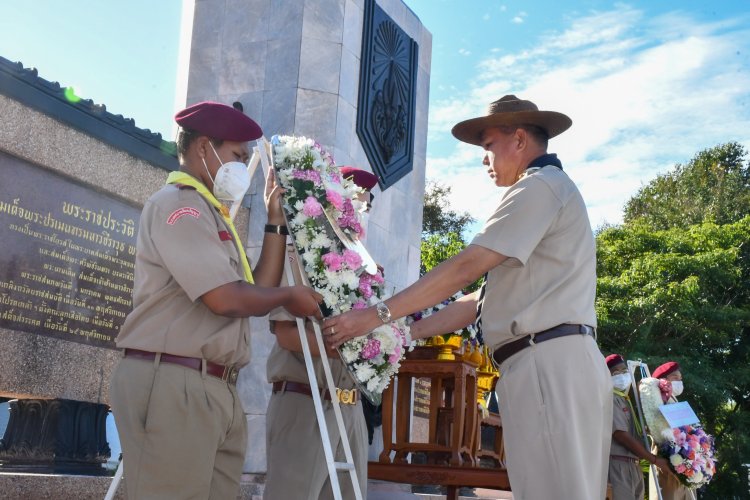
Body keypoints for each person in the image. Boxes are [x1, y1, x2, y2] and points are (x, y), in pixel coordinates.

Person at [324, 95, 613, 499]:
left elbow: (467, 265)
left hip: (549, 364)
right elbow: (479, 300)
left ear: (518, 140)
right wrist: (404, 334)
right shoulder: (544, 192)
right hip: (548, 362)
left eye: (489, 145)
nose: (484, 158)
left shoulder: (540, 186)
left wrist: (373, 317)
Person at [109, 101, 323, 500]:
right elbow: (225, 298)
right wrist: (290, 296)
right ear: (204, 148)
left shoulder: (212, 213)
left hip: (213, 385)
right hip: (175, 381)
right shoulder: (179, 205)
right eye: (237, 157)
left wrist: (274, 220)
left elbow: (255, 287)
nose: (242, 167)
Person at [263, 167, 379, 500]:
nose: (362, 212)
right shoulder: (306, 255)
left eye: (367, 205)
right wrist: (349, 349)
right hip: (306, 401)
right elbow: (286, 334)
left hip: (351, 408)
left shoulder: (367, 269)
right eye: (355, 204)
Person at [606, 354, 671, 500]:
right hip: (619, 464)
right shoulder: (612, 398)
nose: (622, 376)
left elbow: (632, 432)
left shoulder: (625, 399)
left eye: (624, 371)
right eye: (615, 373)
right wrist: (653, 460)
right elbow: (621, 435)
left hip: (634, 465)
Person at [648, 361, 692, 500]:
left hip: (684, 464)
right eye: (675, 378)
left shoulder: (676, 402)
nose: (679, 382)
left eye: (680, 379)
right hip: (666, 462)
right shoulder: (657, 402)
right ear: (663, 381)